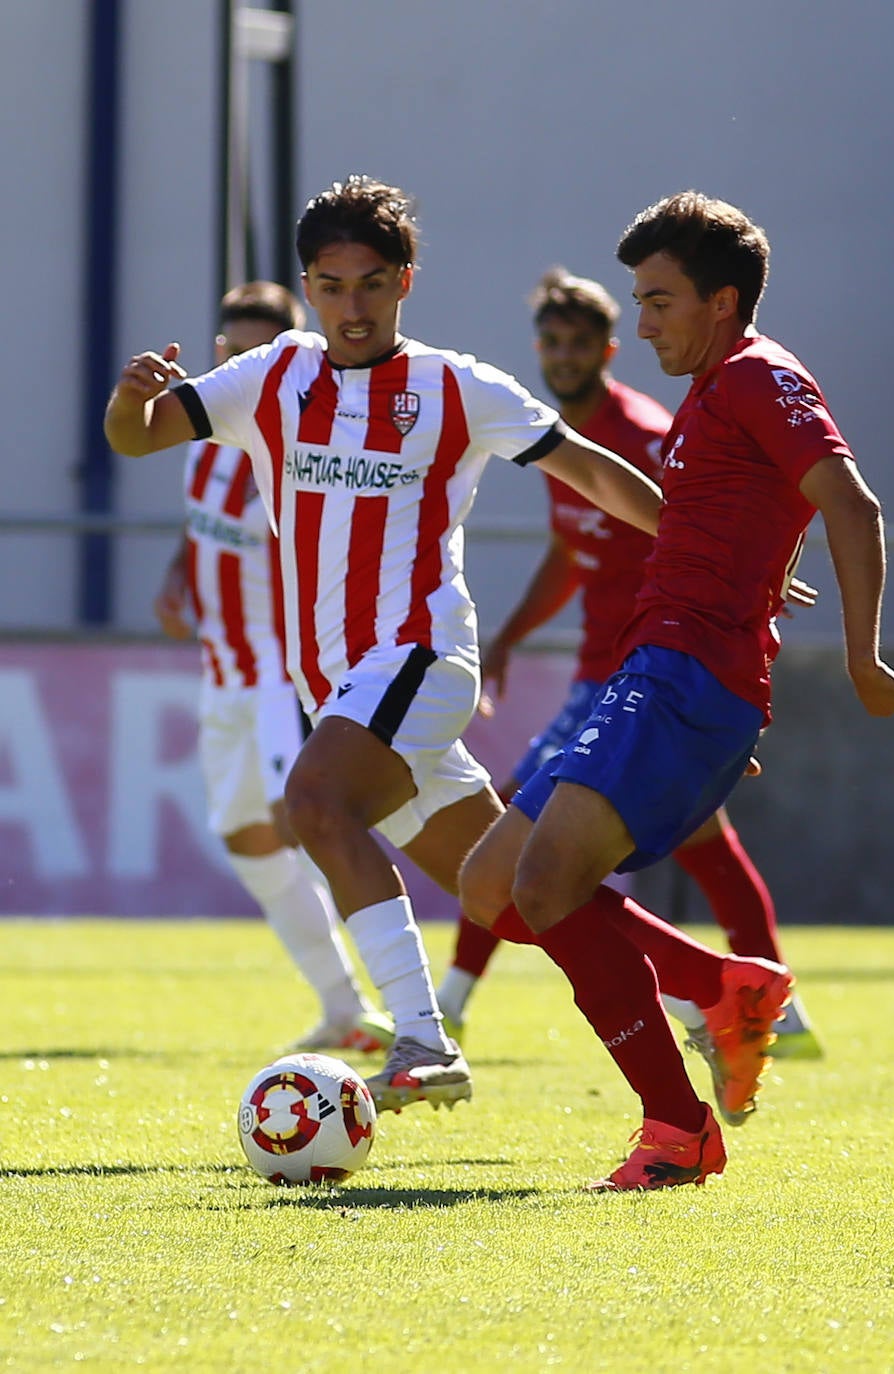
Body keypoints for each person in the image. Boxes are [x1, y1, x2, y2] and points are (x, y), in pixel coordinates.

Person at [104, 175, 667, 1117]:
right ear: (308, 286)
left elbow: (594, 473)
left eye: (370, 283)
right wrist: (131, 398)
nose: (350, 305)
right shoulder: (272, 376)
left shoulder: (456, 385)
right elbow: (138, 440)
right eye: (330, 285)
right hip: (339, 686)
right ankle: (715, 988)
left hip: (418, 655)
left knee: (317, 802)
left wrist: (704, 544)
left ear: (405, 281)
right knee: (512, 894)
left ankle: (419, 1037)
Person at [458, 191, 894, 1191]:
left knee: (544, 888)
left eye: (659, 300)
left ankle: (676, 1130)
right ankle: (724, 986)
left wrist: (859, 659)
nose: (646, 318)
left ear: (721, 302)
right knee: (492, 890)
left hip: (684, 677)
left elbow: (852, 502)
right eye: (639, 296)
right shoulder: (714, 390)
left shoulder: (758, 377)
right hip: (657, 674)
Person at [436, 266, 822, 1058]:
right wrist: (509, 636)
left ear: (607, 349)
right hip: (625, 672)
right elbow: (572, 553)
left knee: (513, 836)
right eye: (551, 342)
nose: (563, 357)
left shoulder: (644, 434)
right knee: (700, 844)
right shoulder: (556, 434)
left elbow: (714, 528)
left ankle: (446, 1011)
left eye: (579, 344)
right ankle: (774, 1010)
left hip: (650, 671)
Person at [153, 281, 393, 1056]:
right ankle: (347, 1008)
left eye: (261, 349)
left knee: (312, 826)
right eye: (233, 347)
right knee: (245, 839)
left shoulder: (292, 448)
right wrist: (178, 573)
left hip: (276, 680)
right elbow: (206, 529)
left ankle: (410, 1011)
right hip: (221, 674)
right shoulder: (205, 436)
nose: (241, 360)